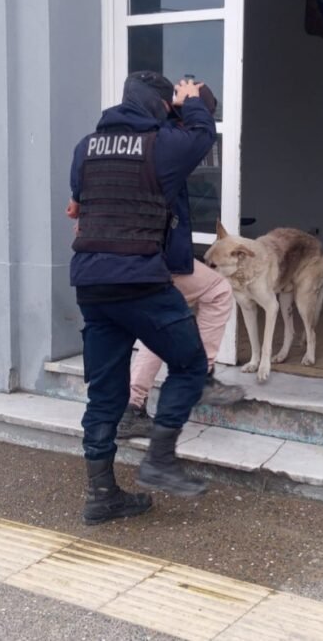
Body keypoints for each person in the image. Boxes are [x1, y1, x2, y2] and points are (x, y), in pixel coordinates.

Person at [68, 71, 215, 525]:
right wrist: (191, 101)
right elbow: (203, 135)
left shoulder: (85, 147)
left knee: (104, 392)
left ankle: (101, 494)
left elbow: (78, 202)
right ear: (159, 105)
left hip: (92, 285)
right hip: (140, 281)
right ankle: (160, 459)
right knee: (191, 366)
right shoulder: (161, 147)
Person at [117, 85, 245, 440]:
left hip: (133, 258)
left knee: (161, 326)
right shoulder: (169, 141)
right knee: (219, 289)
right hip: (152, 259)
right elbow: (202, 135)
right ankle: (199, 378)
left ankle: (132, 407)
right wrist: (190, 101)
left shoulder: (138, 138)